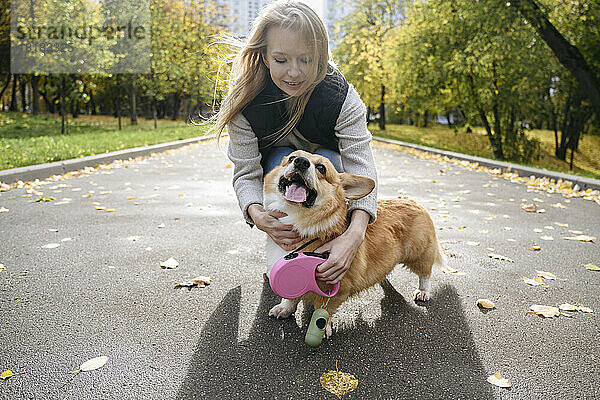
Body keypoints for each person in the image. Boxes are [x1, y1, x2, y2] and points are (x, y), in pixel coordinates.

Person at [213, 0, 378, 285]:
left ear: (321, 57)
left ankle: (326, 247)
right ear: (264, 56)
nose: (294, 72)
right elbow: (245, 173)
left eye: (306, 59)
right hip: (277, 170)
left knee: (325, 159)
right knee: (281, 157)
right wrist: (258, 215)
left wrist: (354, 235)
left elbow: (362, 166)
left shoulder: (341, 97)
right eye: (281, 60)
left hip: (328, 170)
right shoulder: (243, 101)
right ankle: (282, 251)